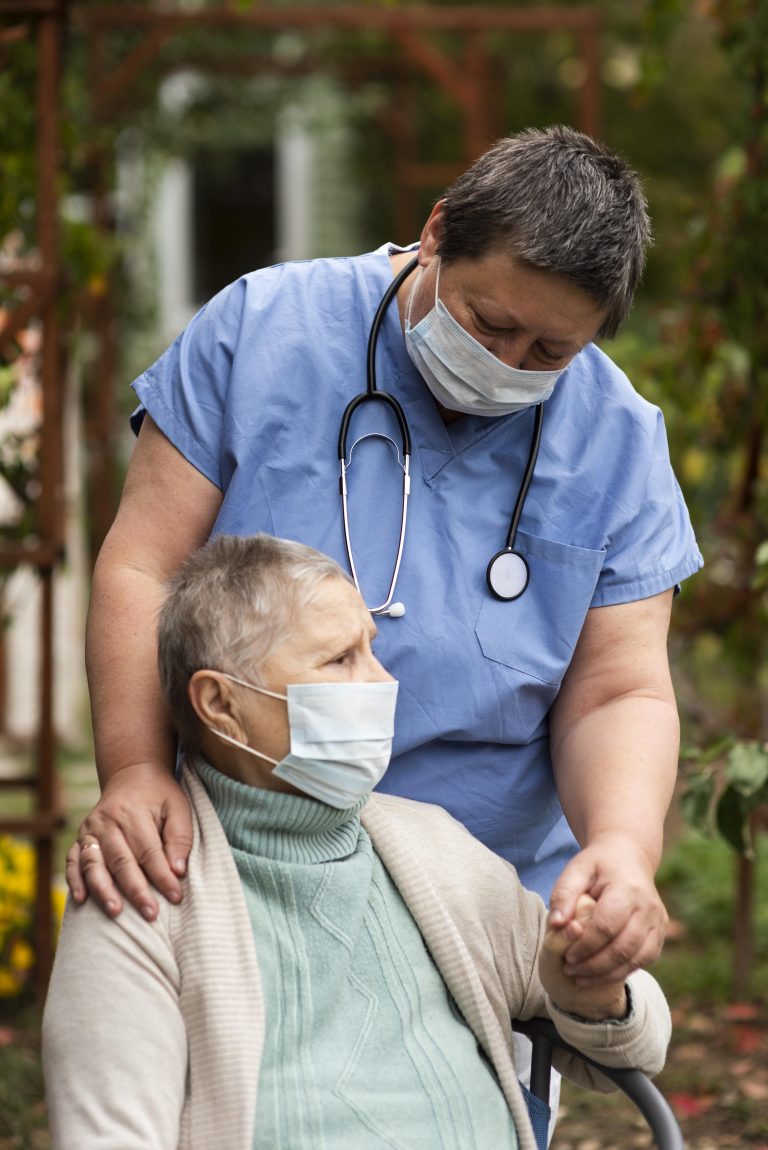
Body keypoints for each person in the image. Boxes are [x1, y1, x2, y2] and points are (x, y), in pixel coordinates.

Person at [68, 124, 703, 987]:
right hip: (243, 867)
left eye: (550, 353)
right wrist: (137, 770)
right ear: (436, 233)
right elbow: (143, 567)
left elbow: (620, 690)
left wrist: (623, 846)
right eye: (489, 322)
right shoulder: (261, 332)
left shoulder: (616, 441)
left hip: (488, 904)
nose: (505, 364)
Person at [45, 534, 672, 1150]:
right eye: (340, 659)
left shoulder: (435, 852)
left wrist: (591, 988)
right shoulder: (140, 888)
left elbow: (638, 1049)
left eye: (372, 649)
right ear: (220, 703)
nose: (380, 682)